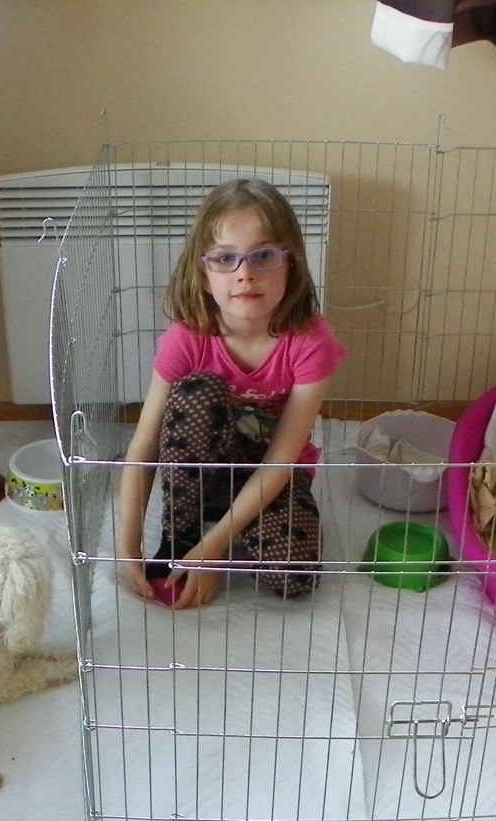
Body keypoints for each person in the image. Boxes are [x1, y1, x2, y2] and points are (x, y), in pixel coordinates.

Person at [115, 178, 346, 609]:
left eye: (264, 256)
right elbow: (144, 444)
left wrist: (215, 549)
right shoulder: (187, 337)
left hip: (272, 475)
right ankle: (182, 535)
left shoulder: (311, 341)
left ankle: (223, 526)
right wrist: (128, 545)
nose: (245, 273)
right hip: (204, 470)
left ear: (291, 263)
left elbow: (281, 460)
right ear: (203, 276)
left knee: (296, 578)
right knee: (196, 392)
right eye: (225, 258)